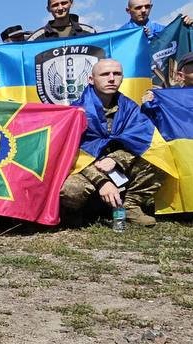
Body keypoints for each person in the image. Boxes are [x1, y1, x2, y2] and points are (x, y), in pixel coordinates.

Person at [60, 59, 162, 226]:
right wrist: (102, 181)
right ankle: (80, 211)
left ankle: (130, 206)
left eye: (117, 74)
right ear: (91, 79)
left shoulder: (131, 109)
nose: (112, 78)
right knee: (71, 190)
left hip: (119, 168)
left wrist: (116, 159)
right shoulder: (76, 112)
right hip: (88, 170)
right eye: (105, 74)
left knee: (159, 158)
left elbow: (144, 141)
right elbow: (71, 157)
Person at [27, 0, 96, 41]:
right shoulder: (36, 38)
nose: (60, 8)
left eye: (64, 3)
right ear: (48, 9)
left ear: (71, 4)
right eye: (55, 5)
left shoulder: (88, 32)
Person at [120, 0, 193, 41]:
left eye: (147, 6)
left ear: (151, 7)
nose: (143, 10)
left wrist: (186, 28)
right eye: (138, 7)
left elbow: (181, 40)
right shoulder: (121, 34)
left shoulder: (161, 30)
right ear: (128, 10)